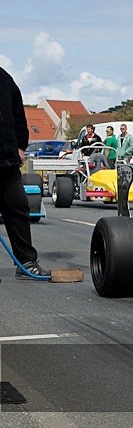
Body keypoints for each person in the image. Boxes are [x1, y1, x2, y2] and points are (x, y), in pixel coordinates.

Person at [0, 67, 50, 278]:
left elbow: (18, 114)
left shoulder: (4, 78)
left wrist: (21, 145)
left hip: (6, 160)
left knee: (18, 207)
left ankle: (26, 262)